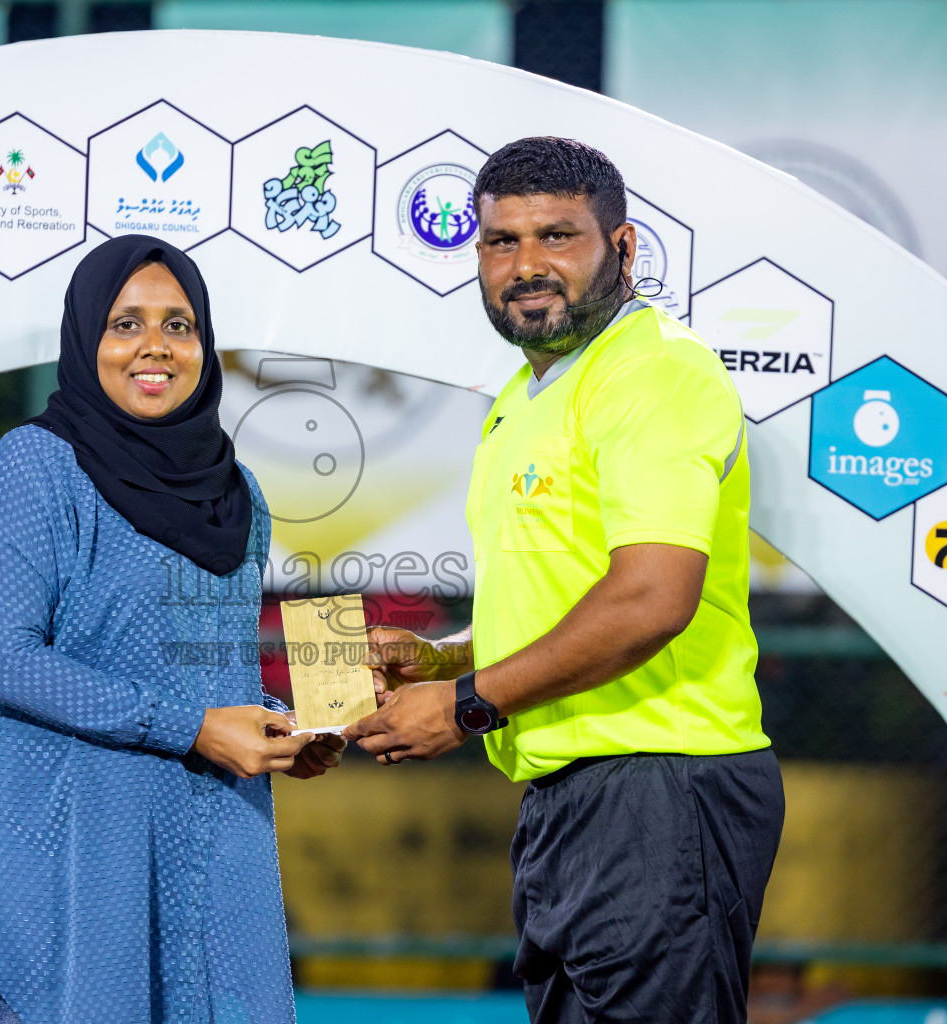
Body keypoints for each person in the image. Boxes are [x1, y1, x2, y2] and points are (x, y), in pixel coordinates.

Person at [345, 138, 785, 1023]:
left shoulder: (653, 372)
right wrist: (445, 660)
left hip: (662, 788)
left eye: (557, 236)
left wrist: (466, 704)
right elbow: (568, 599)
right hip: (573, 795)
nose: (526, 266)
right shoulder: (527, 394)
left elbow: (651, 599)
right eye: (501, 241)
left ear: (623, 248)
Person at [0, 234, 342, 1024]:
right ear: (87, 338)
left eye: (178, 326)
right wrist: (196, 728)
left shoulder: (237, 494)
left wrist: (281, 727)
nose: (155, 346)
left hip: (206, 848)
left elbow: (213, 676)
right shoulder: (30, 469)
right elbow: (6, 660)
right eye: (125, 324)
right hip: (68, 854)